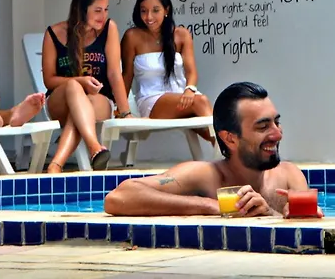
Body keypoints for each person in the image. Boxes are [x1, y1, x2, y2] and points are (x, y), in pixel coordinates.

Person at [104, 81, 323, 218]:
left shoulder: (289, 176)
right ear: (230, 139)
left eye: (277, 122)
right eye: (263, 127)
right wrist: (211, 206)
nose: (277, 134)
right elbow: (119, 197)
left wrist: (273, 214)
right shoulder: (205, 176)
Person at [42, 0, 133, 173]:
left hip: (98, 99)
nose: (103, 16)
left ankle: (55, 165)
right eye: (97, 10)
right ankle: (94, 146)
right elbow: (49, 80)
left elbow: (114, 73)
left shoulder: (109, 29)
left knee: (80, 109)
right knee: (74, 87)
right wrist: (80, 81)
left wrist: (125, 112)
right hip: (60, 100)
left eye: (106, 9)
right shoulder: (53, 34)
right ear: (81, 10)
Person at [121, 0, 214, 144]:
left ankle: (226, 150)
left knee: (207, 124)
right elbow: (126, 75)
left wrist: (190, 89)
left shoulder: (181, 35)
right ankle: (227, 150)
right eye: (144, 11)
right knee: (202, 102)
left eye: (155, 10)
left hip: (184, 96)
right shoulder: (132, 36)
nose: (149, 17)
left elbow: (191, 71)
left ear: (166, 10)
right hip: (151, 100)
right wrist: (121, 108)